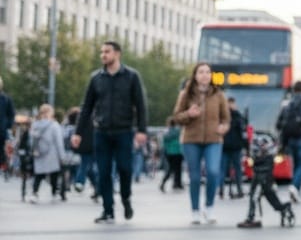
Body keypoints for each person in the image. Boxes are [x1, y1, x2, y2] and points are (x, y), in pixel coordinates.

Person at [73, 40, 148, 224]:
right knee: (103, 172)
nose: (103, 55)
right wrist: (78, 132)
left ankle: (126, 199)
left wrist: (141, 129)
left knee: (125, 169)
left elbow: (140, 104)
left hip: (124, 131)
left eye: (107, 51)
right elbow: (86, 107)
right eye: (102, 52)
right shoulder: (96, 78)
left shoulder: (131, 76)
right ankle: (108, 210)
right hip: (102, 132)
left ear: (117, 54)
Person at [172, 61, 229, 225]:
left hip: (214, 139)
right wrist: (188, 114)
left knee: (212, 172)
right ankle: (195, 210)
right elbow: (176, 117)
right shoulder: (186, 94)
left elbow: (225, 118)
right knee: (195, 177)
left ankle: (209, 207)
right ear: (195, 76)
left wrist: (224, 127)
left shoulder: (219, 95)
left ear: (211, 76)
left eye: (207, 72)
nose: (205, 75)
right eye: (201, 72)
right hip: (191, 139)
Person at [28, 104, 67, 202]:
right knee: (54, 174)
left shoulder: (35, 125)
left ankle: (34, 193)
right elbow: (59, 142)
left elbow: (31, 141)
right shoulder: (54, 125)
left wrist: (33, 150)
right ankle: (54, 193)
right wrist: (62, 156)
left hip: (39, 153)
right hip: (52, 154)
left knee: (39, 175)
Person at [220, 97, 248, 199]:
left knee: (226, 169)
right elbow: (243, 130)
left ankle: (224, 189)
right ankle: (224, 189)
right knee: (234, 169)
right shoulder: (234, 116)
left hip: (229, 147)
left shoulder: (228, 116)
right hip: (231, 147)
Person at [160, 116, 184, 192]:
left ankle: (164, 182)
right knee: (179, 169)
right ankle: (177, 184)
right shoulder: (179, 131)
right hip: (179, 152)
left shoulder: (167, 132)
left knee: (171, 169)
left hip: (169, 153)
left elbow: (164, 142)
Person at [0, 75, 15, 180]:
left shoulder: (6, 99)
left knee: (2, 150)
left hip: (2, 130)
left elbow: (11, 114)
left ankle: (4, 167)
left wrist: (8, 125)